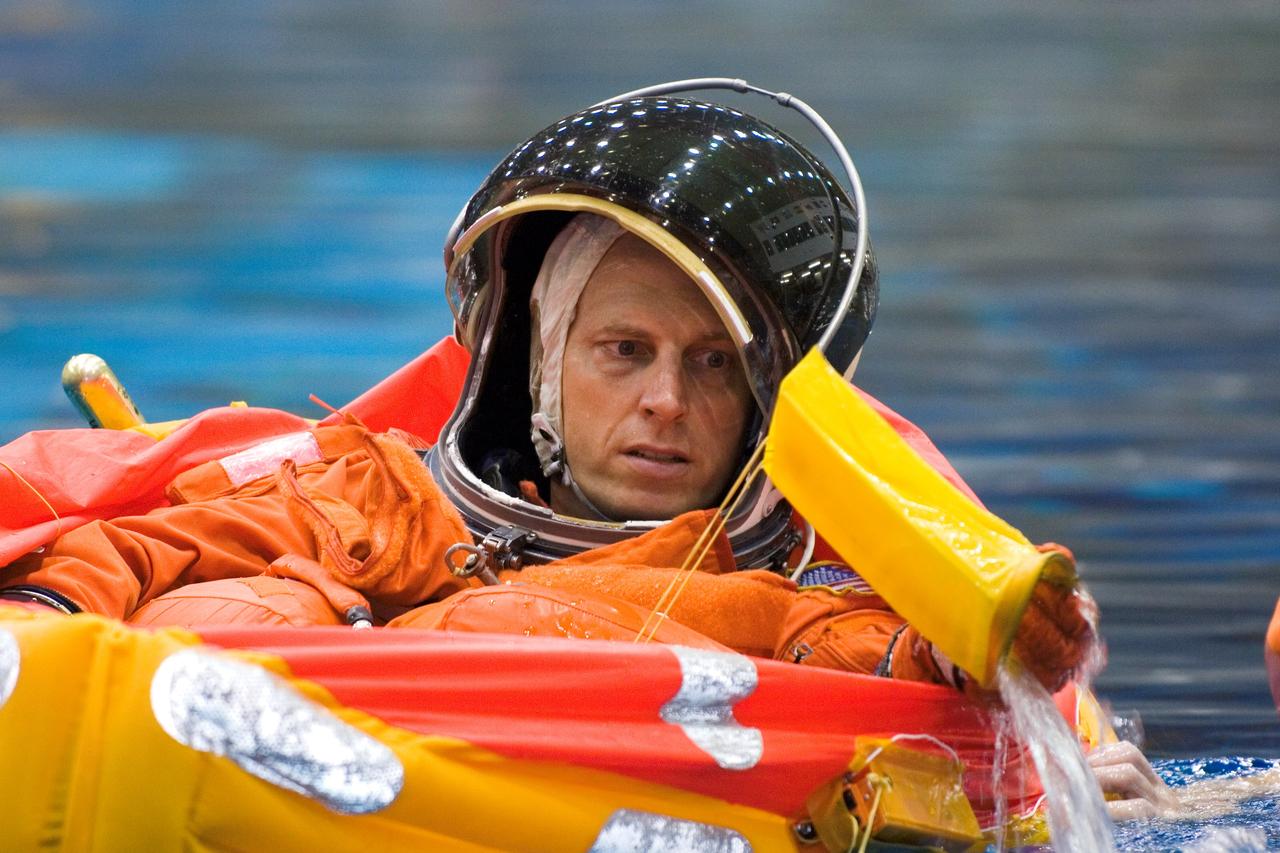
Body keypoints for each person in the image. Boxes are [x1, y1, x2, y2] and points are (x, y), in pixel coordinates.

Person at [0, 91, 1168, 817]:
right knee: (244, 600)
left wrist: (996, 654)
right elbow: (141, 548)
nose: (665, 398)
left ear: (770, 399)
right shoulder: (372, 492)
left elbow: (885, 656)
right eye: (622, 350)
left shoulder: (783, 595)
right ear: (538, 362)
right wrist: (46, 613)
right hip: (187, 761)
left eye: (714, 364)